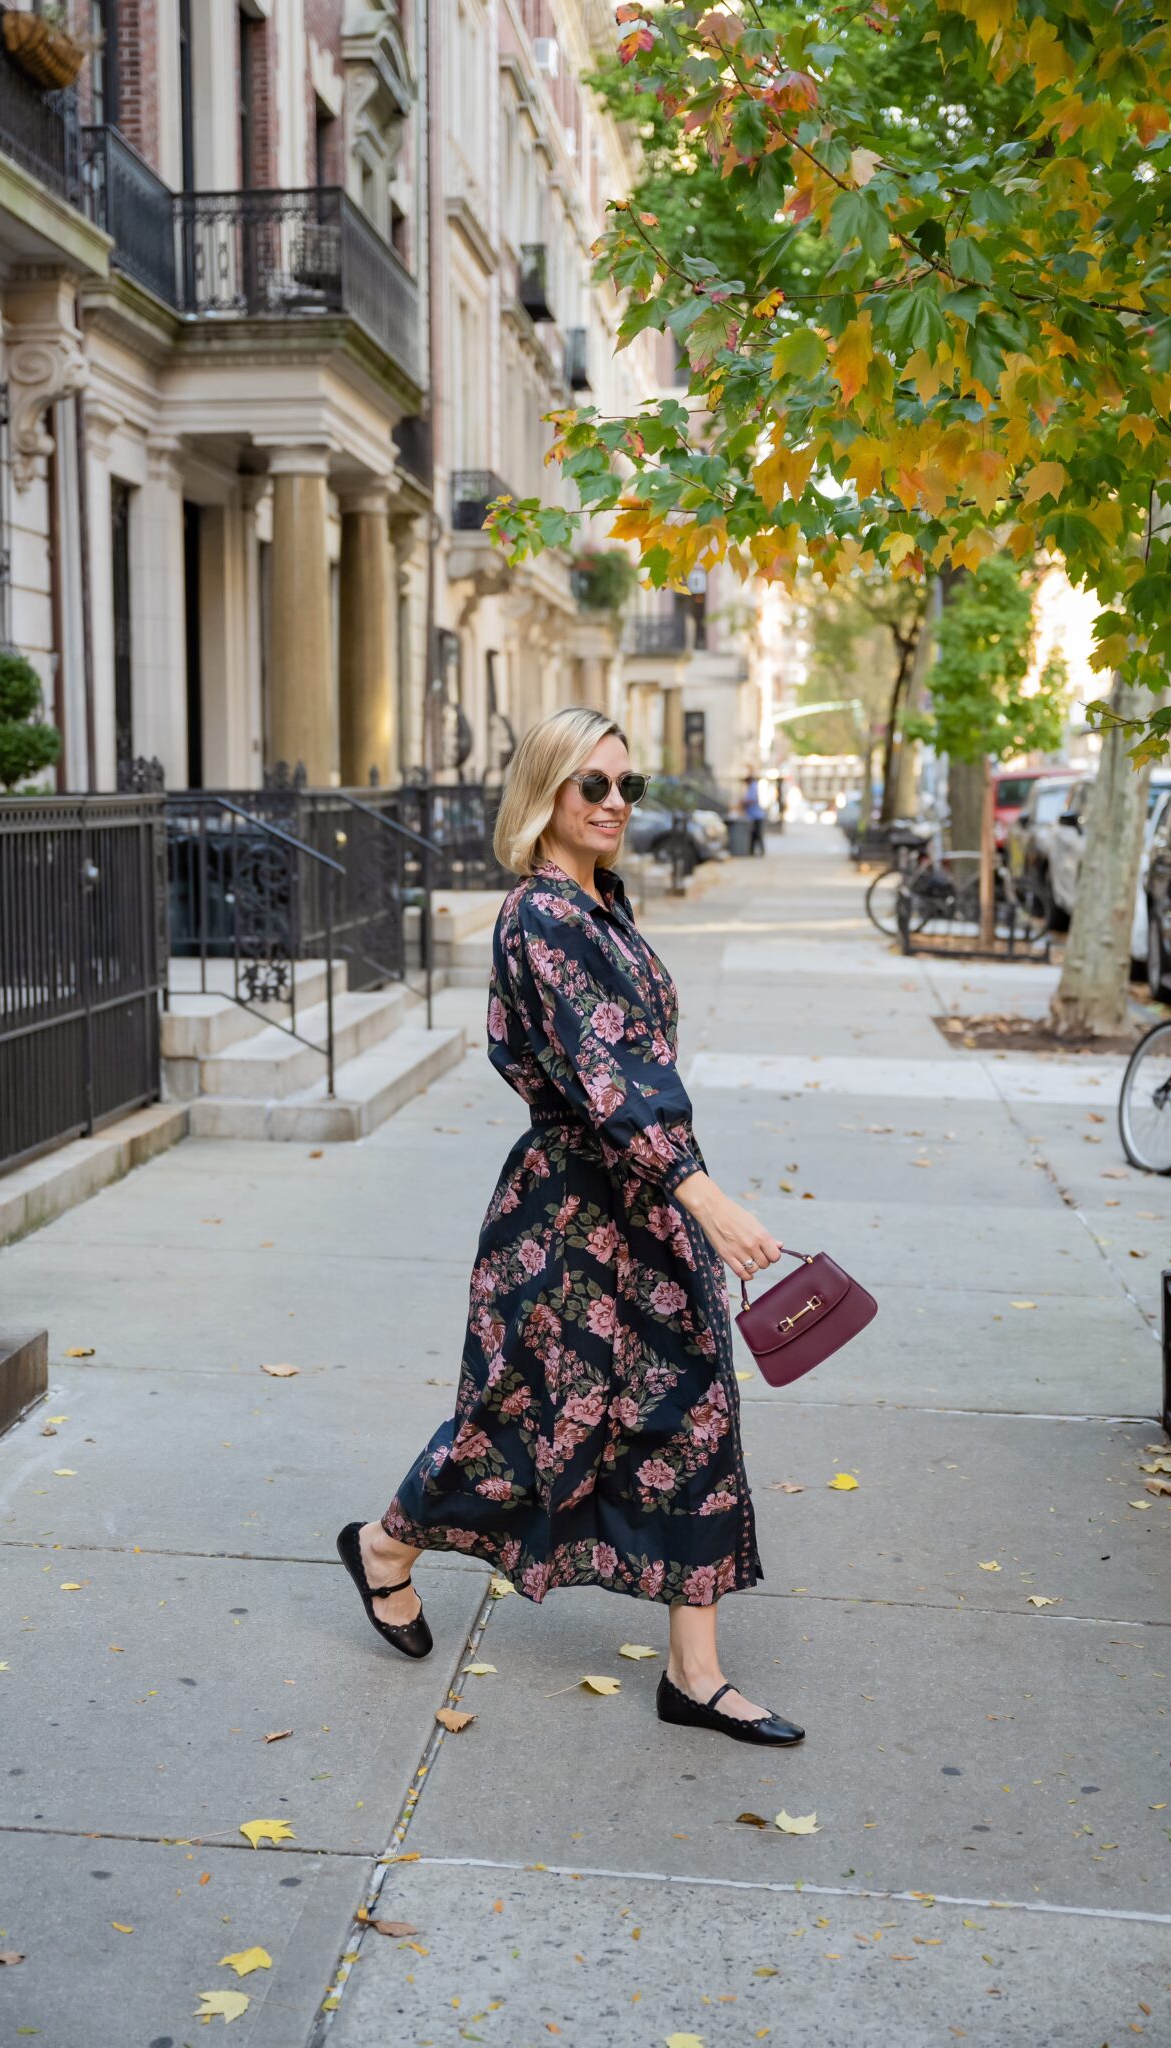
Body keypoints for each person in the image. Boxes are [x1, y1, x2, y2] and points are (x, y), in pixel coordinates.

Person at [338, 707, 804, 1748]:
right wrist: (706, 1196)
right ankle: (384, 1546)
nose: (614, 803)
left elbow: (637, 1069)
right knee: (521, 1421)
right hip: (568, 1223)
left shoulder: (602, 903)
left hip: (639, 1203)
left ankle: (694, 1673)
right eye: (593, 784)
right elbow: (608, 1078)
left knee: (690, 1413)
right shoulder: (541, 917)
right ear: (545, 789)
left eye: (627, 786)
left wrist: (681, 1192)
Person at [742, 775, 767, 856]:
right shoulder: (753, 786)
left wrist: (743, 803)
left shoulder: (753, 787)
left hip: (756, 815)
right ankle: (752, 851)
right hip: (754, 815)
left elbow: (751, 799)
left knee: (758, 834)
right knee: (754, 834)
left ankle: (760, 851)